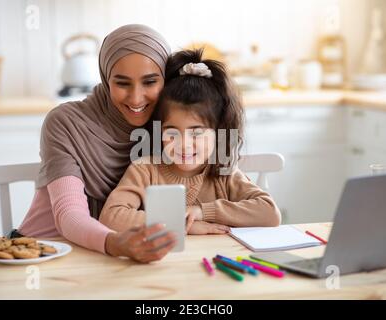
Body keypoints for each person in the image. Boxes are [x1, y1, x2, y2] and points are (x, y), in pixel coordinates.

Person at [15, 24, 177, 263]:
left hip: (118, 260)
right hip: (45, 254)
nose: (136, 97)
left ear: (166, 80)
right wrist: (116, 243)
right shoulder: (66, 123)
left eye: (150, 82)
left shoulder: (169, 127)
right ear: (105, 77)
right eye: (122, 83)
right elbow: (69, 214)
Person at [99, 49, 281, 234]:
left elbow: (270, 213)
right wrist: (185, 225)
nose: (184, 144)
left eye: (196, 133)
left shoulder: (223, 172)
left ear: (218, 132)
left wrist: (203, 211)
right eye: (171, 132)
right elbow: (111, 216)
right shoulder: (145, 169)